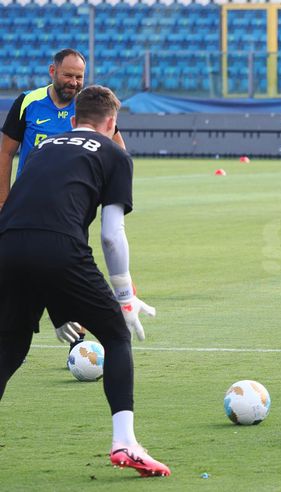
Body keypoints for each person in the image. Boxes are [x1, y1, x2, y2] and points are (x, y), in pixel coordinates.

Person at [0, 85, 170, 476]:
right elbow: (111, 234)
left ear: (74, 120)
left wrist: (59, 308)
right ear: (113, 124)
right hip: (59, 248)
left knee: (8, 348)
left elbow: (35, 212)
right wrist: (125, 297)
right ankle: (125, 443)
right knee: (115, 334)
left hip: (7, 244)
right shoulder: (115, 154)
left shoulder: (45, 147)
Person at [0, 48, 126, 348]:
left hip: (71, 208)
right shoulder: (28, 102)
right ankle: (16, 332)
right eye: (68, 75)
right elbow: (6, 152)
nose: (74, 82)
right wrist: (3, 198)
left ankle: (77, 342)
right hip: (25, 204)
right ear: (52, 71)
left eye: (79, 77)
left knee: (68, 271)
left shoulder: (86, 107)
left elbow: (118, 148)